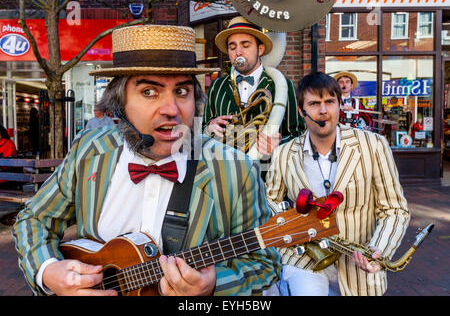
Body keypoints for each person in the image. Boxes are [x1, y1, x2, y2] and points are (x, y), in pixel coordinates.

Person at [12, 24, 280, 296]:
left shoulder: (235, 169)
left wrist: (213, 287)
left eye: (182, 92)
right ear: (120, 103)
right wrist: (47, 270)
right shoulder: (90, 150)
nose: (171, 110)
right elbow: (34, 218)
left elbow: (264, 264)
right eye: (149, 92)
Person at [265, 72, 410, 296]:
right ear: (301, 111)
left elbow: (394, 208)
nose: (323, 111)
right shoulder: (283, 153)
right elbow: (269, 201)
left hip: (358, 266)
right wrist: (292, 228)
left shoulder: (374, 145)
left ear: (339, 105)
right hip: (305, 259)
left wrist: (378, 249)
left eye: (330, 102)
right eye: (314, 104)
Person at [203, 16, 304, 159]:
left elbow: (298, 135)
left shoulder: (282, 85)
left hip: (267, 174)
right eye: (232, 47)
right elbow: (202, 130)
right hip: (224, 173)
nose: (238, 52)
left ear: (260, 49)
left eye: (245, 45)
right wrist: (209, 128)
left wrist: (279, 144)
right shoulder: (217, 86)